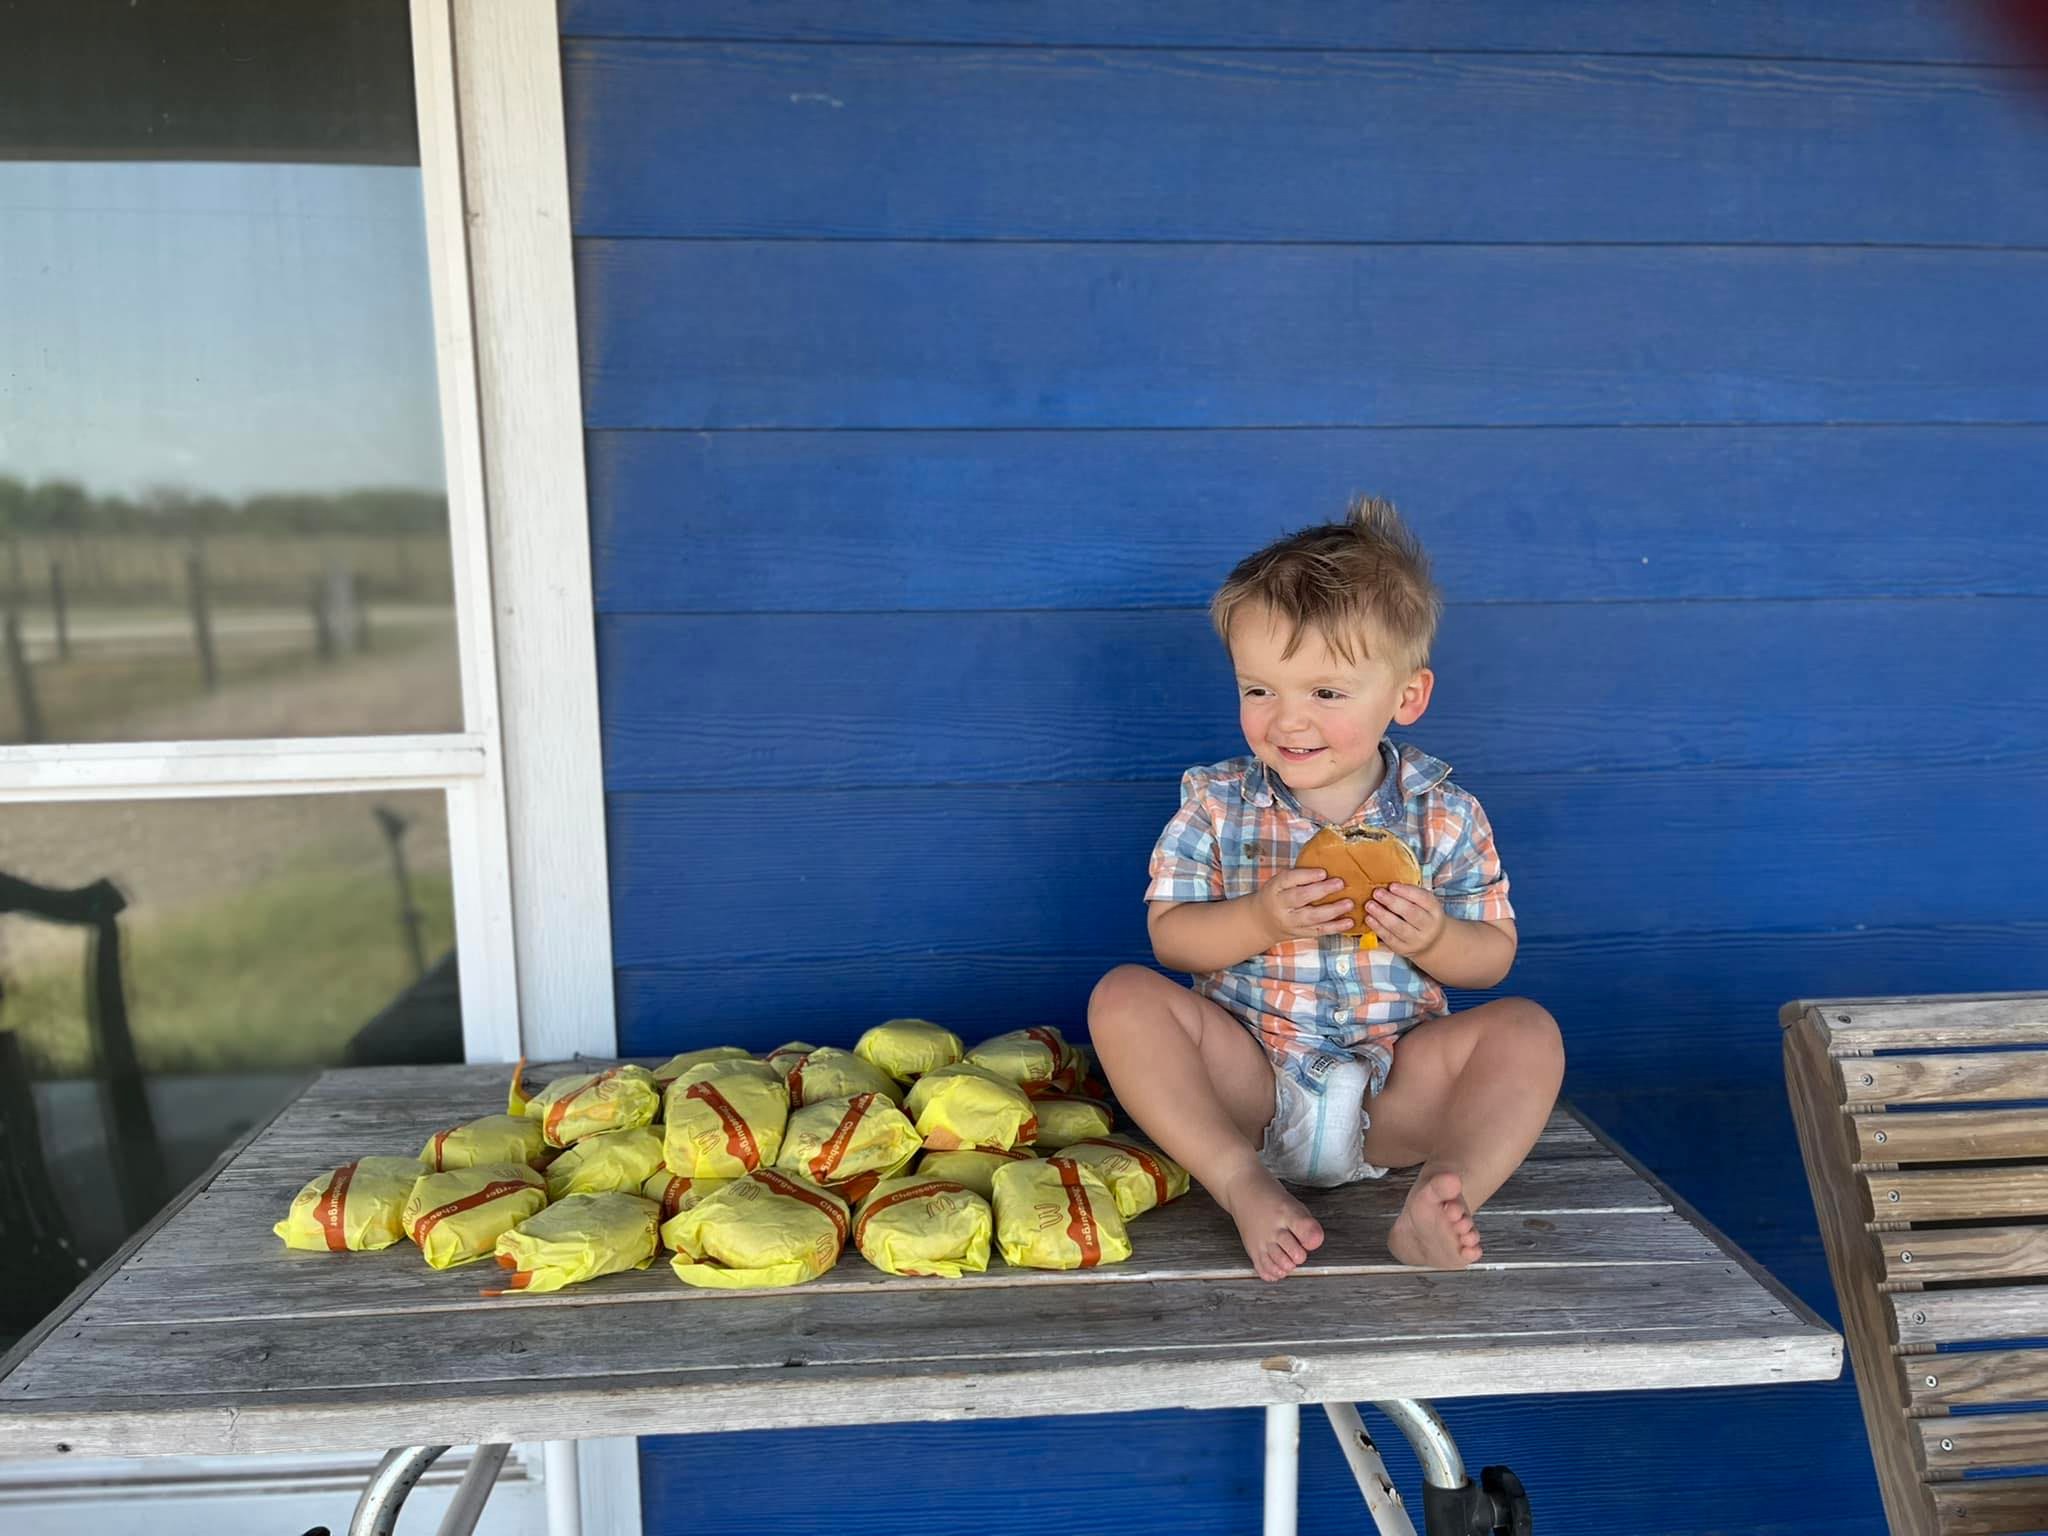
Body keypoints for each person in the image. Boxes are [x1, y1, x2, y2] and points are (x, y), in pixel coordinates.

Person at [1088, 495, 1564, 1280]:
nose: (1287, 721)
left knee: (1528, 1033)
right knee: (1122, 999)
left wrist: (1438, 939)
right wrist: (1260, 916)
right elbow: (1170, 939)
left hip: (1393, 1092)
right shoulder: (1217, 803)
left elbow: (1493, 959)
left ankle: (1444, 1195)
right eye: (1259, 689)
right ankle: (1240, 1181)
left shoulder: (1443, 815)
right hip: (1249, 1081)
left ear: (1406, 697)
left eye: (1326, 693)